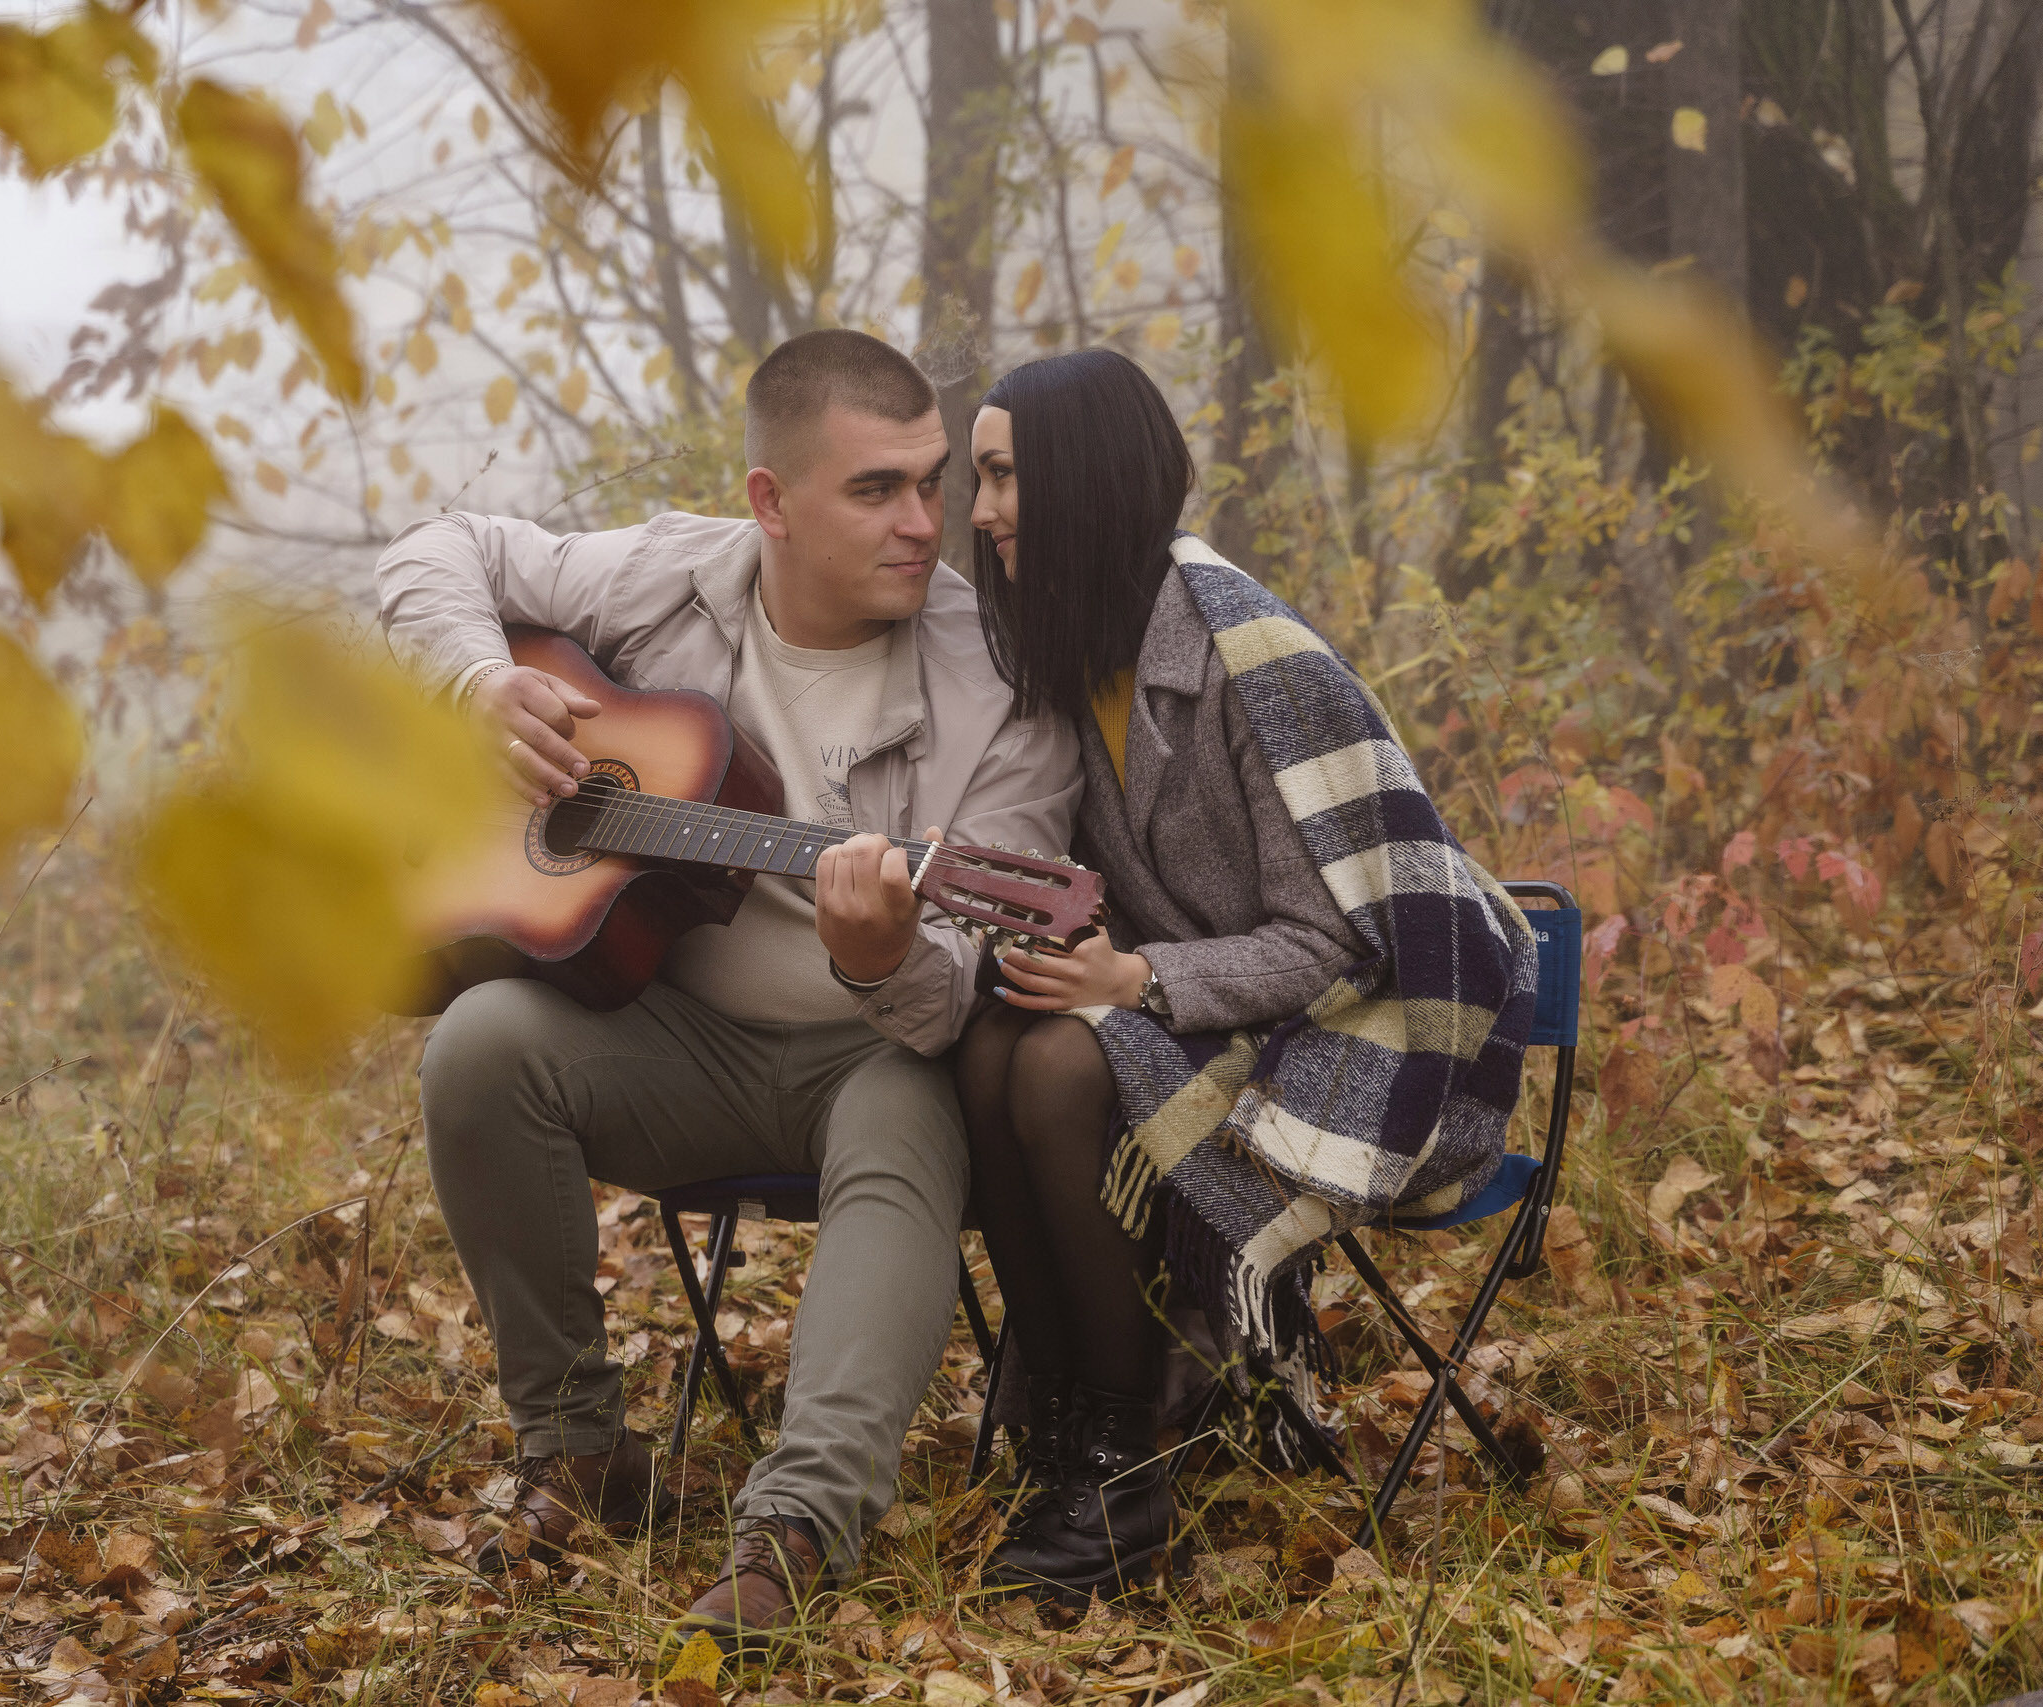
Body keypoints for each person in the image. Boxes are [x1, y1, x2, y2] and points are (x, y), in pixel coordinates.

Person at [374, 330, 1079, 1645]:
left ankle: (797, 1526)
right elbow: (436, 550)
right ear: (769, 503)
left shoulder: (1001, 679)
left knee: (900, 1109)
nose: (926, 523)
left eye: (933, 481)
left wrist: (882, 954)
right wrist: (479, 683)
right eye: (877, 489)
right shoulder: (670, 572)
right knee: (479, 1043)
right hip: (677, 1039)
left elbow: (954, 1004)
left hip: (876, 1055)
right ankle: (582, 1452)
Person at [952, 349, 1537, 1600]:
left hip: (1342, 1026)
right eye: (979, 480)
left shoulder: (1254, 666)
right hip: (1195, 1010)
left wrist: (1136, 982)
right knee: (990, 1043)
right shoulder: (1067, 653)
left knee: (1055, 1065)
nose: (980, 510)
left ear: (1084, 483)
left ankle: (1121, 1466)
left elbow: (1339, 939)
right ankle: (1057, 1421)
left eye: (1001, 477)